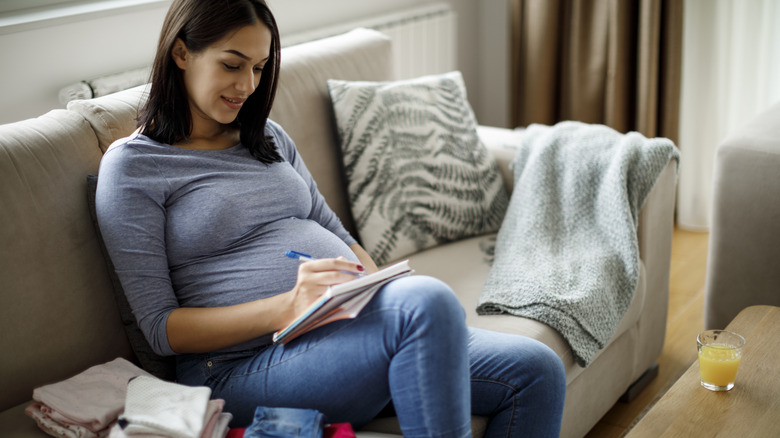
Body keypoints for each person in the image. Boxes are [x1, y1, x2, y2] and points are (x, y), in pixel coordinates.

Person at [95, 0, 566, 436]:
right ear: (181, 52)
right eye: (232, 64)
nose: (248, 86)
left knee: (537, 370)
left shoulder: (268, 137)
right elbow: (161, 328)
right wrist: (288, 304)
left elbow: (334, 229)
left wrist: (379, 292)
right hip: (238, 367)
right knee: (426, 300)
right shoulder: (134, 166)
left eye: (259, 68)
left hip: (345, 330)